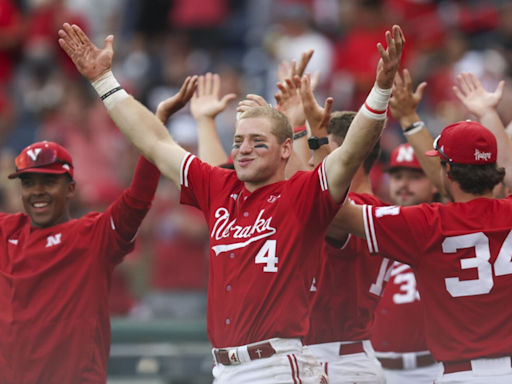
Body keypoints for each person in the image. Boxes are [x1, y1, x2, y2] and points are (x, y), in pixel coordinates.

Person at [59, 22, 405, 383]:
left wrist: (380, 90)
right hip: (224, 369)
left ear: (286, 149)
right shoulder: (220, 186)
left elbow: (349, 153)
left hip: (276, 365)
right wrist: (104, 81)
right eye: (239, 140)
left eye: (258, 141)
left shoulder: (301, 194)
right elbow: (155, 144)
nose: (243, 149)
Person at [0, 81, 196, 384]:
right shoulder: (7, 231)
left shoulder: (92, 234)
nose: (37, 191)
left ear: (71, 189)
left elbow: (137, 199)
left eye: (48, 181)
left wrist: (155, 131)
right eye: (28, 183)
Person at [332, 118, 512, 384]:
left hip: (460, 375)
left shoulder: (427, 222)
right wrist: (487, 112)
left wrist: (316, 142)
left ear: (447, 170)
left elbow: (333, 210)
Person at [302, 109, 388, 384]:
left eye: (320, 147)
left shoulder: (358, 211)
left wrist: (301, 127)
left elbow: (326, 199)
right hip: (342, 358)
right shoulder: (378, 211)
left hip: (337, 361)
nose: (310, 158)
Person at [371, 145, 439, 384]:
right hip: (377, 368)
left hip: (432, 368)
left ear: (435, 182)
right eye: (397, 176)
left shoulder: (447, 228)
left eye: (415, 176)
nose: (404, 184)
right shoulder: (373, 223)